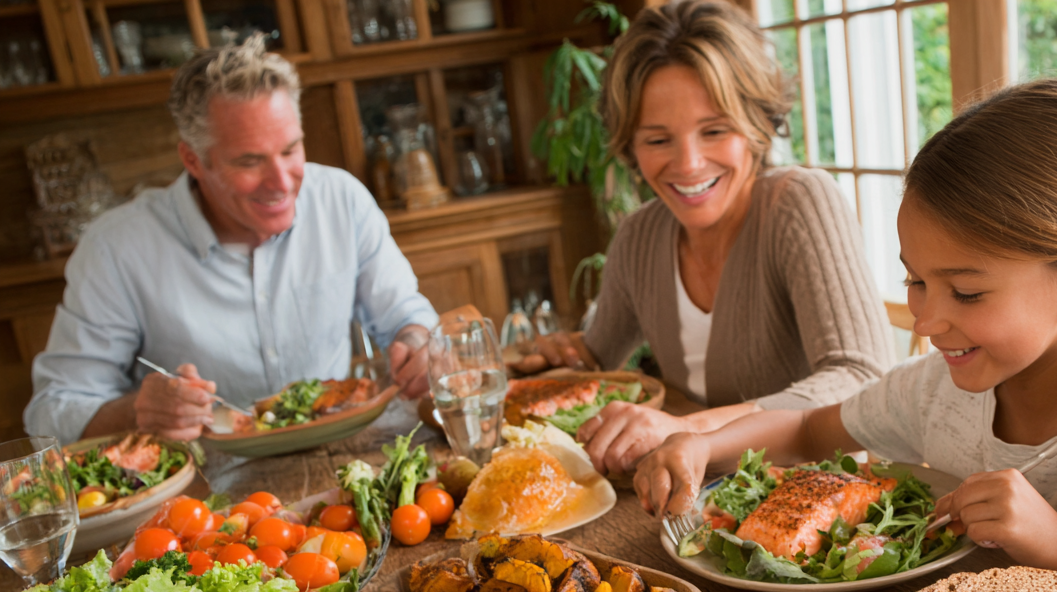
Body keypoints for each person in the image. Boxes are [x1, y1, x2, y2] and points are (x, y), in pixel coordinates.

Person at [635, 79, 1057, 592]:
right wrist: (701, 444)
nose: (925, 320)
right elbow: (811, 430)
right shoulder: (935, 389)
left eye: (966, 292)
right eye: (915, 281)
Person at [515, 0, 895, 476]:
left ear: (756, 125)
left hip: (823, 501)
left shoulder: (798, 203)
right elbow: (596, 362)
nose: (689, 164)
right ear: (630, 146)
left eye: (714, 130)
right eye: (657, 140)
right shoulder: (639, 236)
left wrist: (693, 432)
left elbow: (862, 379)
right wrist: (566, 359)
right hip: (696, 500)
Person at [24, 36, 438, 444]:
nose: (282, 182)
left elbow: (404, 314)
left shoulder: (341, 200)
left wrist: (416, 341)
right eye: (249, 161)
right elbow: (53, 410)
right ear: (194, 160)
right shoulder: (116, 248)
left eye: (291, 150)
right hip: (203, 494)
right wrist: (138, 411)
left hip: (341, 460)